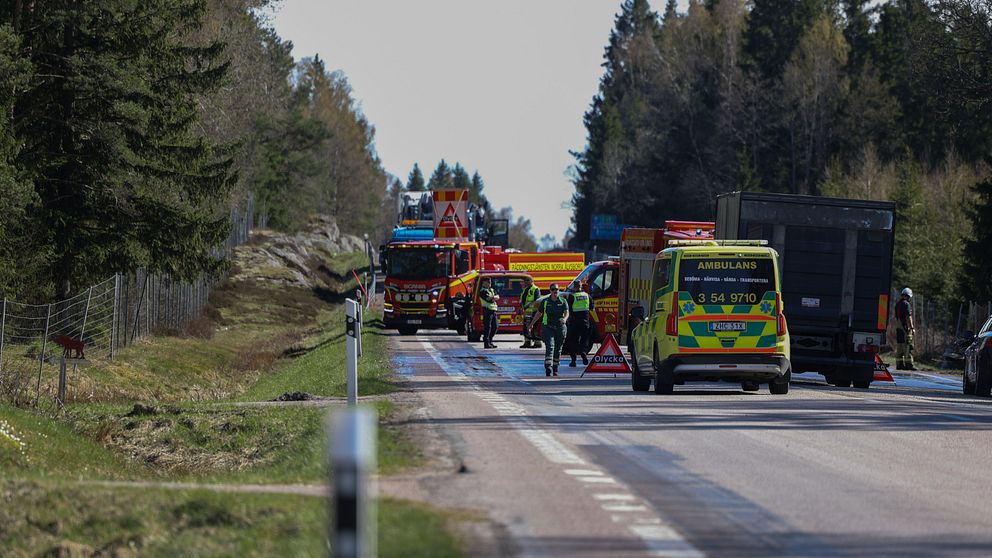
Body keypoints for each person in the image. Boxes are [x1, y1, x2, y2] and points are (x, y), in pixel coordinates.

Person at [528, 283, 569, 376]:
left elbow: (567, 312)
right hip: (547, 327)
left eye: (557, 289)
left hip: (560, 327)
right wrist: (531, 324)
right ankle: (548, 367)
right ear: (550, 291)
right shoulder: (545, 301)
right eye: (553, 289)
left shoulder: (563, 301)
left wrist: (565, 319)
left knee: (558, 348)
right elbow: (539, 313)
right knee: (550, 346)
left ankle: (555, 367)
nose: (555, 291)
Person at [565, 280, 594, 367]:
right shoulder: (587, 296)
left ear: (574, 287)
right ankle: (583, 352)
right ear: (581, 286)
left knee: (573, 340)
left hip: (574, 322)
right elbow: (592, 308)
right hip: (585, 321)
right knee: (585, 339)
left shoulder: (572, 297)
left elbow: (568, 309)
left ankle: (573, 361)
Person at [894, 287, 916, 370]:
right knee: (908, 346)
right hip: (905, 329)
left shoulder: (898, 304)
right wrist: (912, 327)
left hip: (898, 328)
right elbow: (908, 317)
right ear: (907, 296)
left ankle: (899, 364)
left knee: (900, 346)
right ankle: (909, 365)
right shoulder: (906, 304)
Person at [519, 276, 542, 348]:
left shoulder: (535, 289)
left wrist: (528, 306)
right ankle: (527, 342)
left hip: (533, 311)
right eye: (525, 281)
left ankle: (537, 342)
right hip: (526, 312)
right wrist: (521, 308)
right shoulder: (525, 289)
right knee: (526, 327)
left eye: (527, 281)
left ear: (531, 281)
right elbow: (523, 300)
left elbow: (537, 300)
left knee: (534, 327)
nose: (525, 282)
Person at [479, 277, 499, 349]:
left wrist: (492, 297)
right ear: (484, 282)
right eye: (488, 282)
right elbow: (488, 299)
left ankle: (490, 341)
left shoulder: (491, 290)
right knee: (488, 327)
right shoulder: (482, 291)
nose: (490, 283)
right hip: (487, 311)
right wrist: (493, 298)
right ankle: (486, 343)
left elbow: (497, 297)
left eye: (490, 282)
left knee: (495, 327)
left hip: (493, 311)